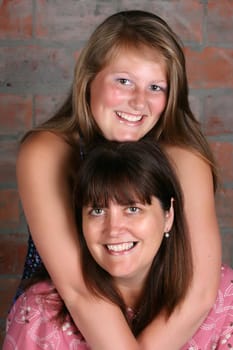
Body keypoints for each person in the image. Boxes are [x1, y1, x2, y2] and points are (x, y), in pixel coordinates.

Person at [12, 10, 222, 349]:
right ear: (89, 76)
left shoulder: (183, 156)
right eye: (123, 81)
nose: (138, 101)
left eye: (155, 87)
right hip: (70, 322)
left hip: (166, 325)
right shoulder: (47, 152)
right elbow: (81, 292)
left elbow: (197, 295)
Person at [3, 140, 233, 349]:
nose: (113, 229)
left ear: (168, 216)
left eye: (133, 209)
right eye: (97, 211)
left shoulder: (226, 299)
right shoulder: (38, 313)